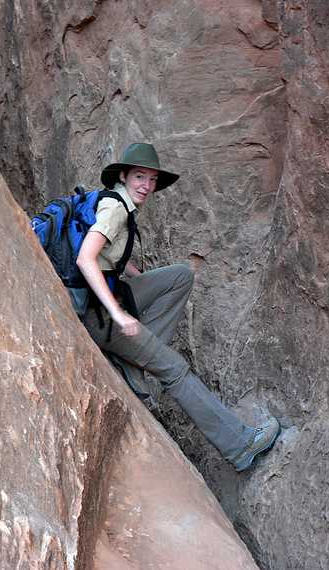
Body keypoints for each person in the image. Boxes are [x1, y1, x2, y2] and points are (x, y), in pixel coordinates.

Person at [76, 142, 280, 471]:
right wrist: (117, 314)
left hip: (102, 301)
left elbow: (106, 255)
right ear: (124, 176)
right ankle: (241, 445)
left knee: (178, 277)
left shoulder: (115, 202)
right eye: (139, 177)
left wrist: (138, 278)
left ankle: (134, 360)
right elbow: (85, 258)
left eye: (152, 179)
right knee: (174, 370)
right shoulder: (115, 209)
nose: (146, 185)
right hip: (100, 315)